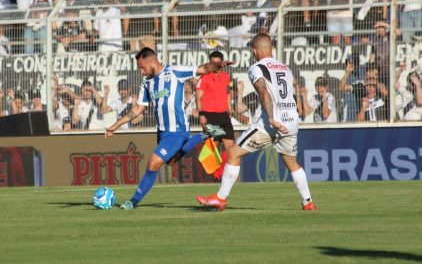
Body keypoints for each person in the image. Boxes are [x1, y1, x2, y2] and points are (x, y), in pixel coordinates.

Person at [196, 33, 318, 211]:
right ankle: (308, 202)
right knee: (292, 163)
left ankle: (220, 199)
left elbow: (263, 92)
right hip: (291, 122)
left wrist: (271, 118)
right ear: (271, 48)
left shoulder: (256, 68)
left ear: (254, 51)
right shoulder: (285, 68)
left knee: (233, 154)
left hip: (271, 124)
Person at [105, 47, 229, 210]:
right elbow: (137, 109)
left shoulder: (175, 71)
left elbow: (203, 69)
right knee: (171, 161)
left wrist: (218, 66)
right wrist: (115, 125)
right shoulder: (147, 83)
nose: (141, 71)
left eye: (142, 67)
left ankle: (132, 202)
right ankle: (205, 135)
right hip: (163, 132)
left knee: (153, 162)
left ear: (151, 61)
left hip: (177, 130)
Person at [195, 51, 235, 179]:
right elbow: (198, 97)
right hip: (210, 116)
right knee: (213, 147)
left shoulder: (226, 76)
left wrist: (230, 108)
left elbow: (227, 93)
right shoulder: (204, 77)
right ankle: (213, 176)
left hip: (223, 116)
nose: (216, 65)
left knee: (231, 149)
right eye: (213, 63)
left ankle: (224, 175)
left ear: (222, 63)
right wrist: (201, 115)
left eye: (218, 63)